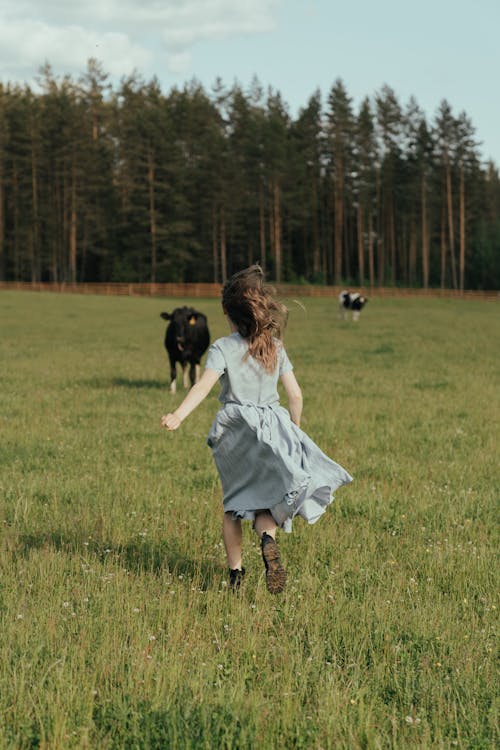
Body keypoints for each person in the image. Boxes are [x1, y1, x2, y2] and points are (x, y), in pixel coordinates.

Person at [161, 265, 352, 594]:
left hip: (235, 432)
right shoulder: (275, 346)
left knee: (234, 505)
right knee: (265, 504)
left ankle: (235, 575)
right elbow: (295, 394)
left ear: (227, 312)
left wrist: (179, 414)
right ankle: (267, 538)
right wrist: (294, 428)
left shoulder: (222, 347)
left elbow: (203, 386)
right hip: (271, 428)